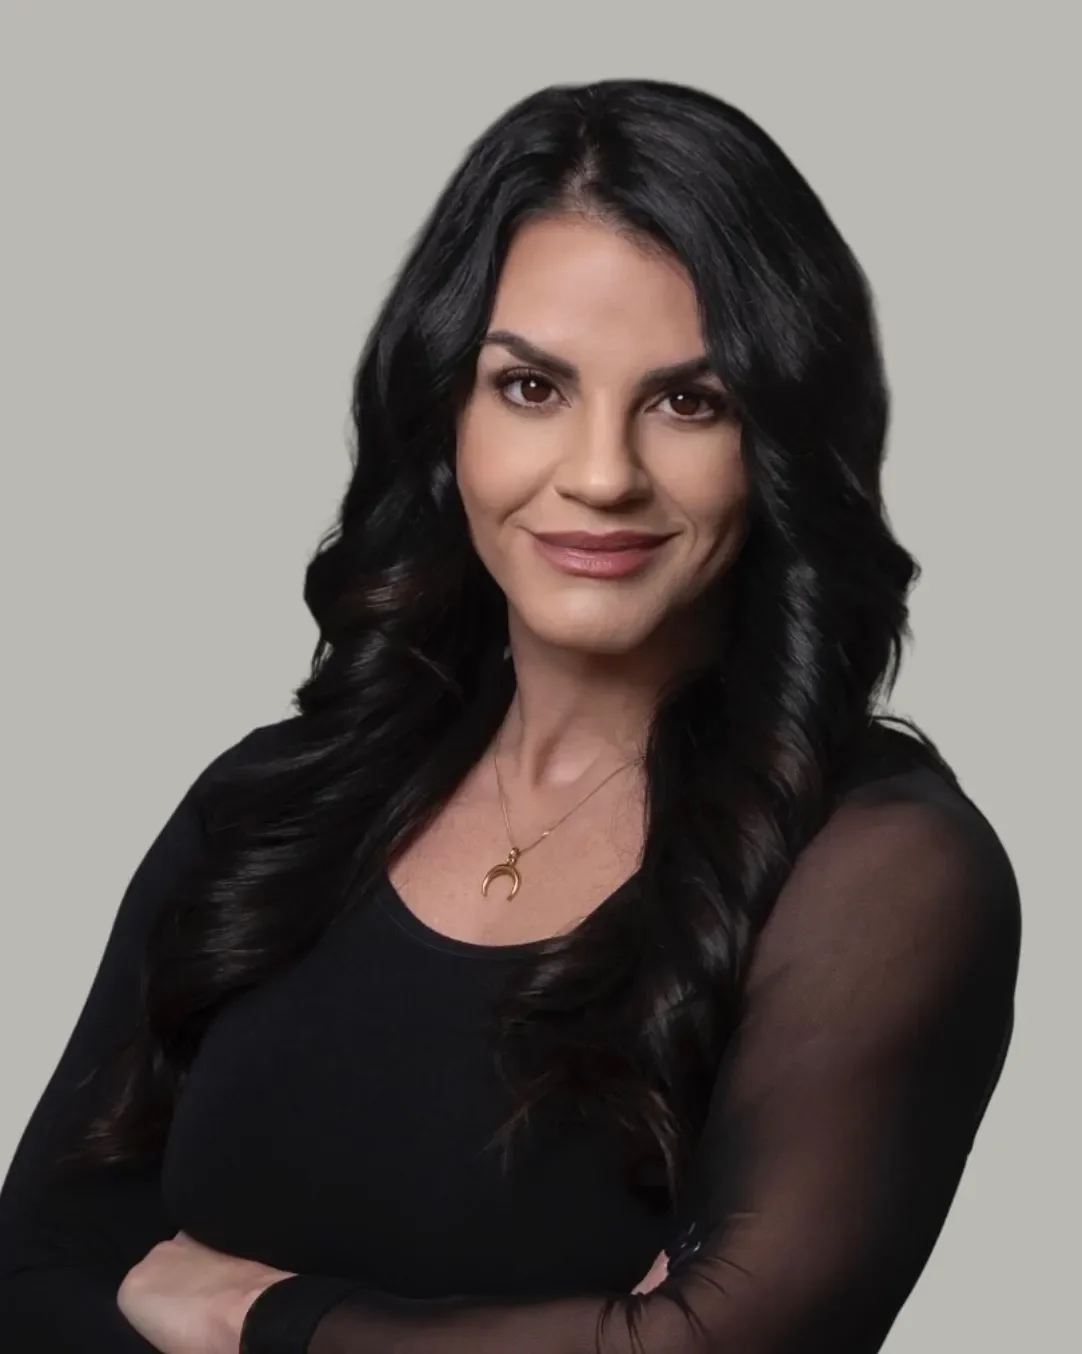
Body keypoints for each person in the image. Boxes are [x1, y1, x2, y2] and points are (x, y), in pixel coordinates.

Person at [0, 77, 1021, 1354]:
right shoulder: (270, 805)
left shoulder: (880, 873)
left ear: (775, 440)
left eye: (686, 402)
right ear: (446, 415)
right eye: (531, 388)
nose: (600, 475)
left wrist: (263, 1320)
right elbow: (33, 1275)